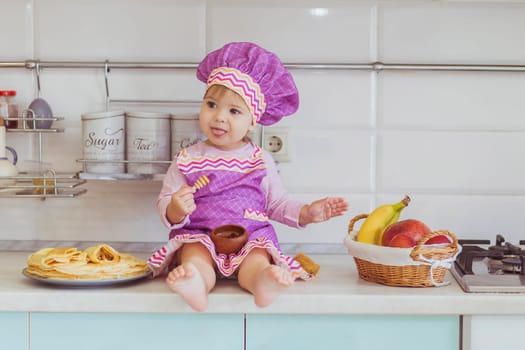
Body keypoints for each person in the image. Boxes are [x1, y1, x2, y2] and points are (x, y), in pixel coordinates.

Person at [147, 42, 349, 311]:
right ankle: (196, 282)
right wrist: (175, 208)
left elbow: (276, 204)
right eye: (211, 104)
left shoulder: (259, 159)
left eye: (234, 111)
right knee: (193, 254)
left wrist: (307, 213)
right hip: (202, 236)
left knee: (256, 257)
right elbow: (165, 203)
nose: (219, 117)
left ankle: (262, 281)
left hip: (250, 236)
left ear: (253, 120)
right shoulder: (188, 158)